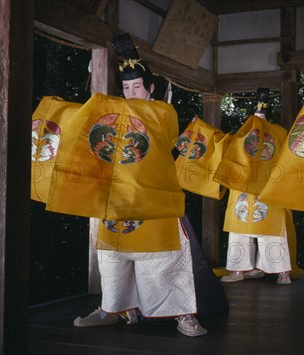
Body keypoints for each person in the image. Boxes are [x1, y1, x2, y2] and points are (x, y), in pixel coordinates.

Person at [71, 32, 207, 337]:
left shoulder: (163, 112)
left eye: (137, 87)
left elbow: (152, 128)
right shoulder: (114, 115)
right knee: (112, 258)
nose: (131, 93)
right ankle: (112, 309)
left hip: (154, 198)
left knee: (163, 258)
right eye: (127, 88)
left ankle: (183, 314)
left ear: (151, 89)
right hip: (117, 197)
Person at [218, 88, 293, 285]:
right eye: (257, 113)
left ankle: (281, 271)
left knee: (272, 230)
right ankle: (239, 269)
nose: (259, 117)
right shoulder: (242, 134)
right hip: (243, 185)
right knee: (239, 229)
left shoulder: (278, 133)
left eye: (262, 113)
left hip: (268, 186)